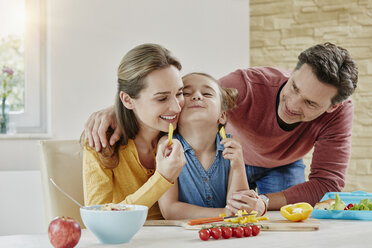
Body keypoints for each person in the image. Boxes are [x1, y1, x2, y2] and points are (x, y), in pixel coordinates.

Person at [84, 42, 358, 210]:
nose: (293, 104)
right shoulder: (245, 85)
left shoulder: (338, 114)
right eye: (293, 86)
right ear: (292, 71)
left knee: (276, 227)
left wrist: (261, 203)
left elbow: (327, 182)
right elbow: (189, 90)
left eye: (310, 103)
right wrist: (121, 110)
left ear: (332, 106)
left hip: (281, 163)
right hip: (232, 157)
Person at [82, 43, 186, 220]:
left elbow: (219, 94)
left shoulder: (187, 128)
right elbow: (99, 218)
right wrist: (162, 179)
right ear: (127, 100)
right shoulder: (102, 143)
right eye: (162, 98)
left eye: (180, 93)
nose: (177, 107)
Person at [158, 73, 266, 219]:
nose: (196, 96)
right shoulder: (168, 145)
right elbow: (170, 210)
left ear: (222, 115)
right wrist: (225, 213)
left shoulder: (232, 145)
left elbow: (239, 205)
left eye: (207, 93)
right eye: (187, 93)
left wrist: (238, 165)